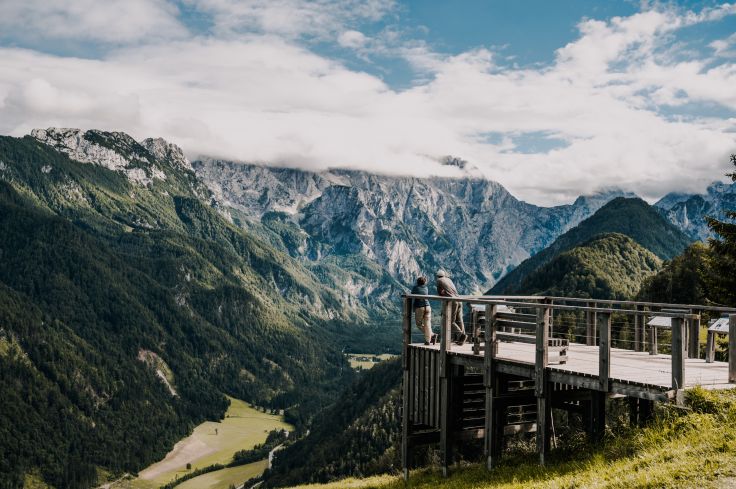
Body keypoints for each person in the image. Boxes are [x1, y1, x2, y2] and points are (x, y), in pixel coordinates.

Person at [435, 269, 467, 345]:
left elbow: (440, 293)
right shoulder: (448, 279)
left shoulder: (439, 281)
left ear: (437, 276)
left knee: (450, 321)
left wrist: (443, 293)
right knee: (459, 320)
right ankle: (461, 340)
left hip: (453, 301)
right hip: (459, 300)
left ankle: (461, 335)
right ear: (444, 275)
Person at [411, 276, 437, 345]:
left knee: (419, 324)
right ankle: (428, 340)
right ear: (424, 282)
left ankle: (431, 335)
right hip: (428, 306)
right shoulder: (426, 288)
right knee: (427, 324)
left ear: (417, 282)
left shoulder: (415, 288)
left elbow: (412, 294)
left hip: (420, 307)